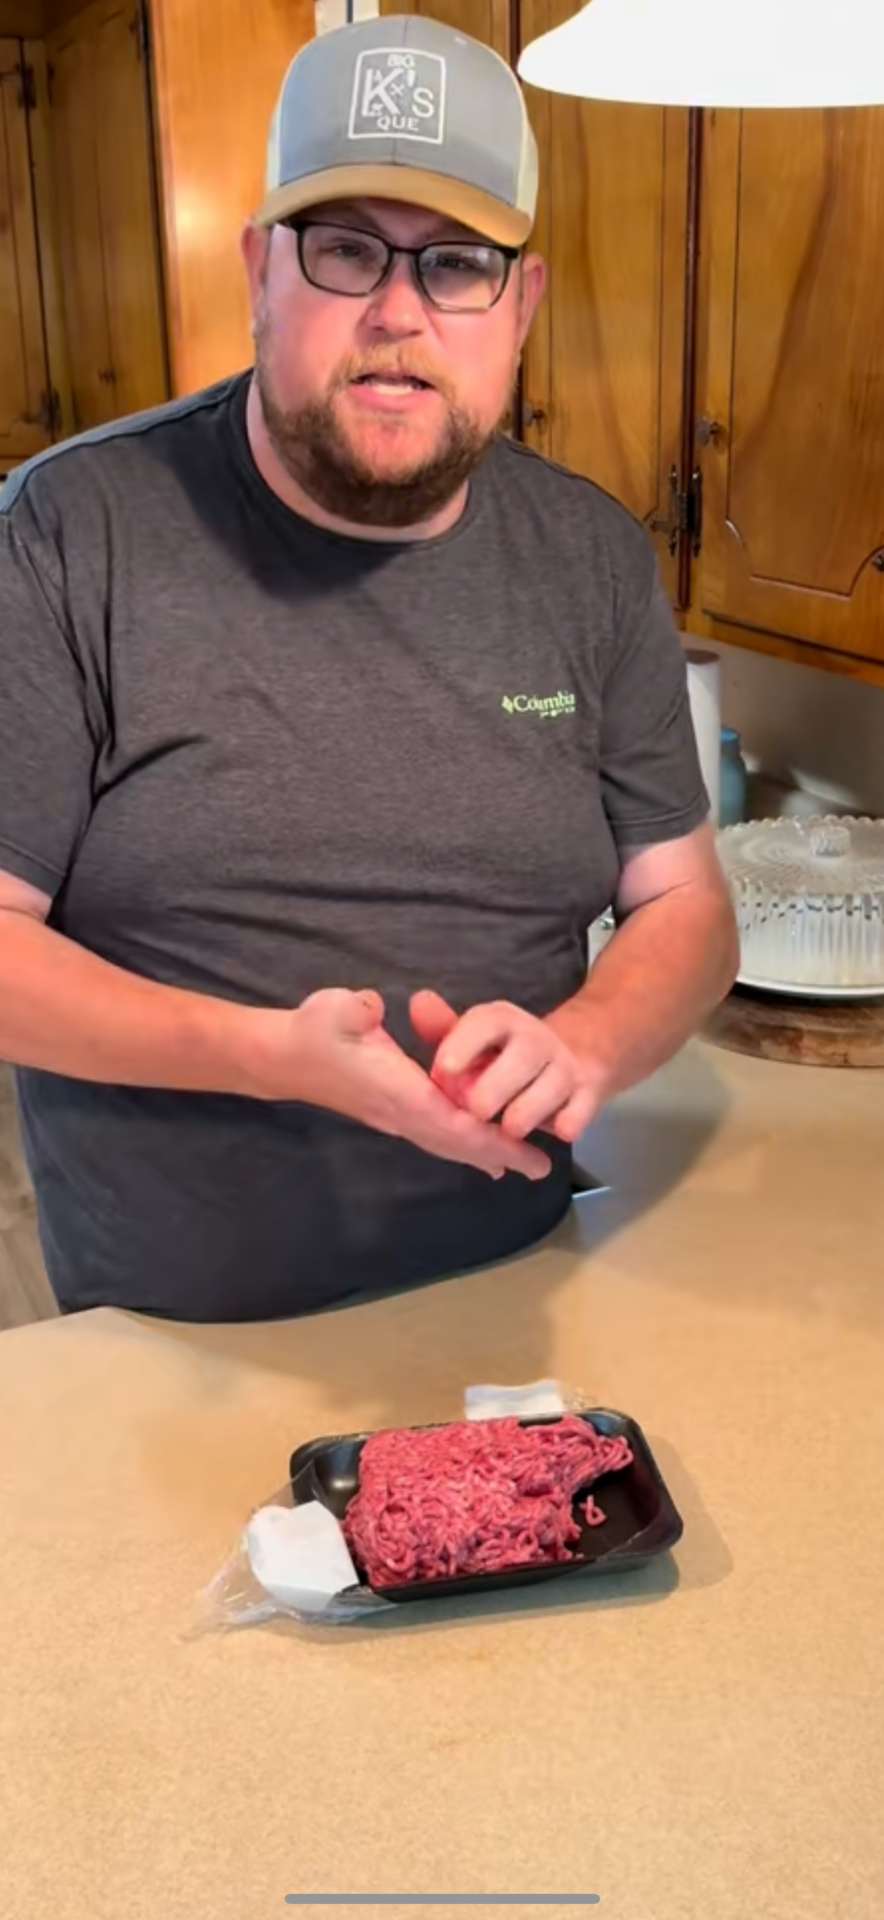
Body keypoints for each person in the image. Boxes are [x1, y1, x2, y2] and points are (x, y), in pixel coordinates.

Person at [0, 14, 738, 1323]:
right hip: (169, 1329)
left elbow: (685, 905)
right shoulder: (68, 531)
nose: (399, 313)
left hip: (518, 1297)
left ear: (522, 304)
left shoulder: (590, 556)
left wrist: (587, 1040)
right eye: (345, 249)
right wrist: (269, 1055)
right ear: (258, 270)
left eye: (458, 263)